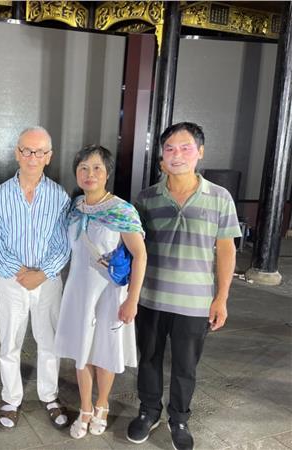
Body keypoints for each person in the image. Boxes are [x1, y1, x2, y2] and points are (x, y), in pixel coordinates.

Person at [127, 122, 240, 450]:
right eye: (170, 149)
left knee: (185, 366)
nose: (177, 155)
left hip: (194, 302)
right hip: (150, 297)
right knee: (148, 358)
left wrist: (221, 298)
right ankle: (149, 411)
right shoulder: (146, 198)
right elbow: (134, 248)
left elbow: (226, 250)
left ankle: (179, 418)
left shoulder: (220, 198)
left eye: (185, 147)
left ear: (200, 152)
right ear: (162, 156)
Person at [54, 145, 146, 439]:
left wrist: (132, 300)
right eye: (83, 168)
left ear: (107, 173)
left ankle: (102, 404)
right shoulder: (74, 207)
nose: (89, 174)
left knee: (105, 350)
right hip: (79, 290)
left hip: (110, 292)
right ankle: (85, 407)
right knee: (82, 350)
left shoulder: (122, 210)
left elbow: (140, 255)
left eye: (97, 168)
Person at [0, 126, 71, 430]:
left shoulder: (60, 196)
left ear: (49, 156)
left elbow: (64, 243)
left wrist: (43, 273)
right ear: (16, 153)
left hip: (48, 281)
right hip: (11, 280)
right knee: (10, 341)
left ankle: (49, 395)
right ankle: (11, 399)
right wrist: (21, 273)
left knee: (49, 341)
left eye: (39, 152)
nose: (32, 157)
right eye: (26, 150)